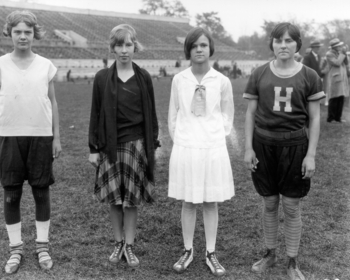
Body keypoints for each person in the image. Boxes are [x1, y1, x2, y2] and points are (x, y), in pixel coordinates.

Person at [243, 22, 324, 280]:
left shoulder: (309, 75)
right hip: (264, 145)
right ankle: (270, 253)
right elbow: (250, 113)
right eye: (279, 41)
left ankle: (292, 259)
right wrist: (248, 148)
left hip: (295, 146)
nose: (283, 45)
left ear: (297, 44)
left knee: (291, 206)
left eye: (289, 41)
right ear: (272, 44)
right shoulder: (259, 73)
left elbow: (315, 117)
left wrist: (310, 154)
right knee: (269, 202)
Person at [0, 10, 61, 274]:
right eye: (17, 31)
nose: (22, 36)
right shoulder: (0, 64)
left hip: (40, 136)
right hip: (8, 135)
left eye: (27, 32)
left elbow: (52, 102)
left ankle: (42, 245)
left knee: (41, 191)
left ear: (34, 34)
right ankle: (15, 249)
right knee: (12, 194)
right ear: (10, 33)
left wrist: (56, 138)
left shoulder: (45, 65)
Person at [88, 24, 160, 268]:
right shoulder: (101, 78)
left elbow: (151, 116)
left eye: (128, 44)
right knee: (114, 199)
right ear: (112, 48)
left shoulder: (144, 77)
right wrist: (93, 149)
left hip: (136, 145)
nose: (124, 50)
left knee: (130, 200)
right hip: (109, 145)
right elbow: (95, 113)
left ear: (135, 46)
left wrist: (151, 148)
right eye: (119, 45)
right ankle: (117, 241)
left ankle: (129, 244)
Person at [168, 27, 235, 277]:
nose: (199, 49)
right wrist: (182, 139)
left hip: (212, 147)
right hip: (187, 147)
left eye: (203, 45)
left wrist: (216, 135)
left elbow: (228, 113)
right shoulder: (179, 79)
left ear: (210, 49)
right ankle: (188, 250)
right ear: (188, 49)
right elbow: (173, 114)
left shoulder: (222, 81)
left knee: (209, 200)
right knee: (188, 200)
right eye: (194, 45)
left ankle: (210, 251)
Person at [323, 38, 350, 122]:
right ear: (334, 47)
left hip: (342, 79)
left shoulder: (340, 53)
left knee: (341, 99)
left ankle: (338, 118)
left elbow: (346, 63)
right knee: (334, 98)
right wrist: (342, 53)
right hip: (335, 79)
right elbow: (337, 63)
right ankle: (330, 118)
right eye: (339, 46)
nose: (340, 47)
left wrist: (345, 54)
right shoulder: (329, 54)